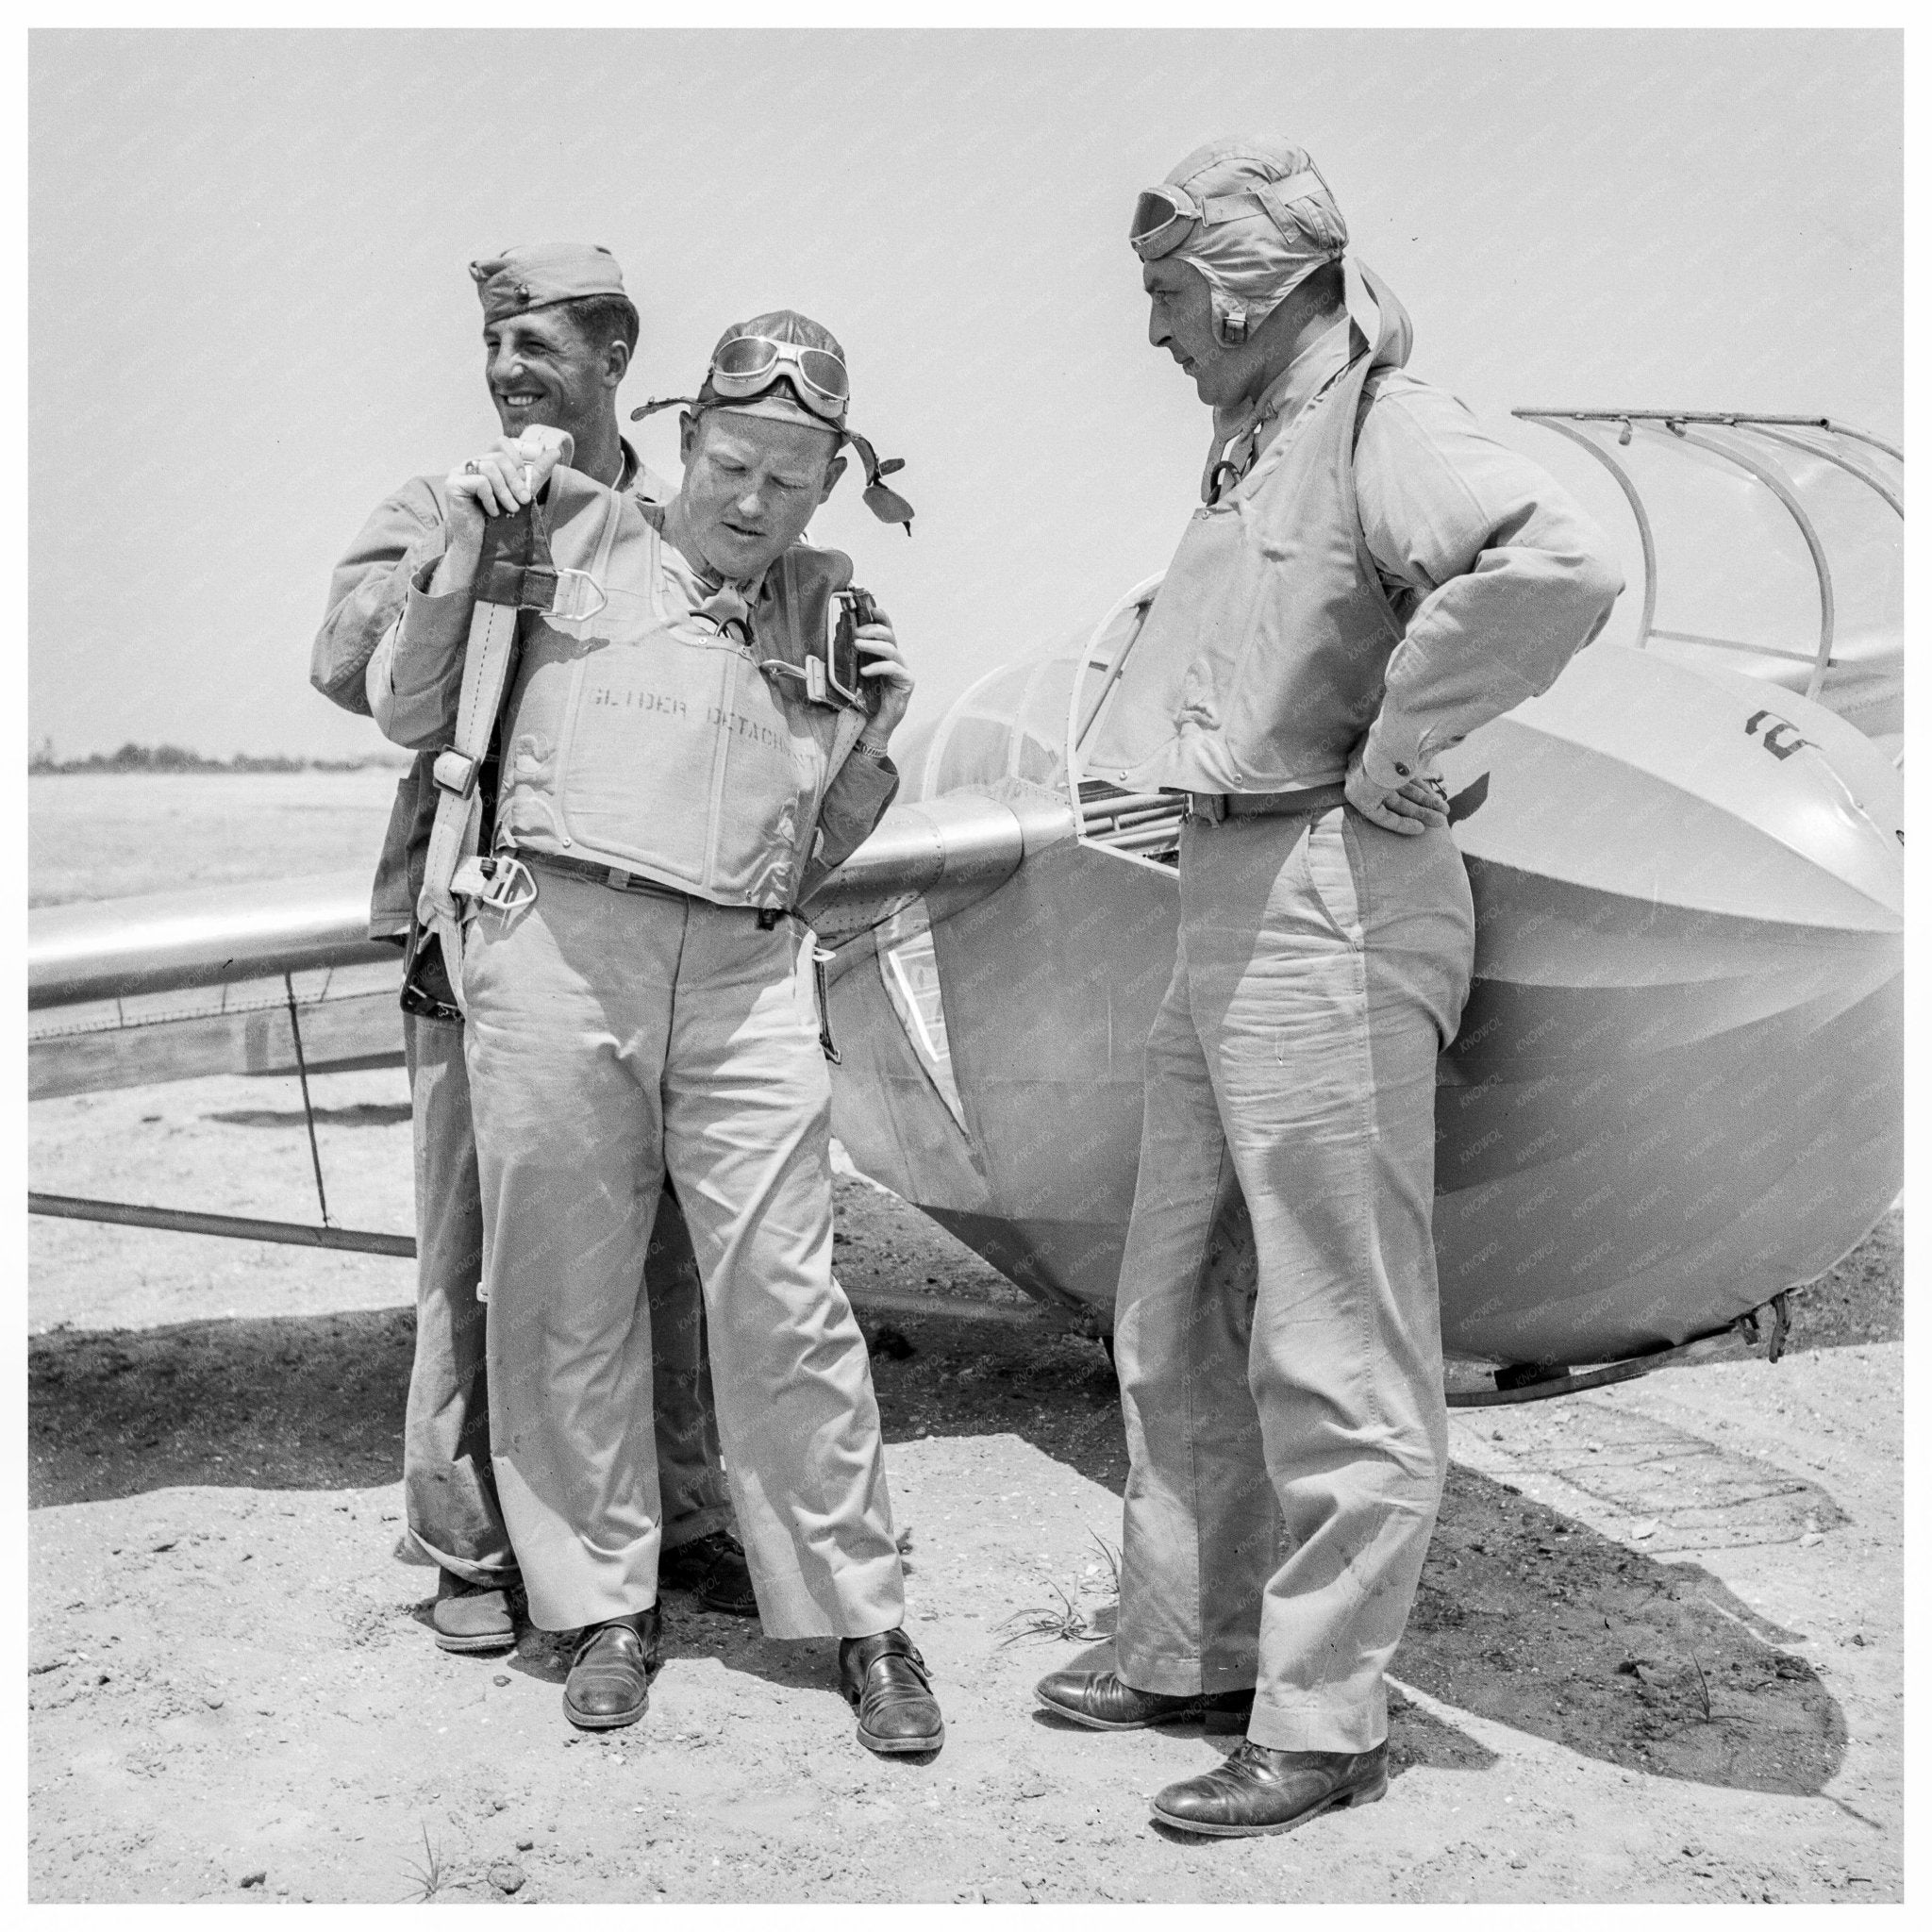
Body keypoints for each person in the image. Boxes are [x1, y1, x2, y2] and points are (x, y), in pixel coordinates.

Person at [1042, 139, 1623, 1835]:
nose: (1152, 333)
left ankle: (1325, 1711)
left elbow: (1557, 562)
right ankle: (1190, 1644)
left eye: (1164, 297)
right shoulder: (1257, 444)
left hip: (1332, 894)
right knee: (1175, 1294)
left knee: (1332, 1324)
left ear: (1243, 286)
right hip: (1227, 886)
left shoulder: (1384, 423)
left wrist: (1404, 730)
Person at [368, 308, 944, 1753]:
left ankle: (864, 1619)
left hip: (747, 971)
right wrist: (461, 547)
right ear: (685, 441)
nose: (756, 501)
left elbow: (827, 829)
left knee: (788, 1297)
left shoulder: (829, 604)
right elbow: (403, 706)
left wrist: (878, 725)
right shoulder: (555, 536)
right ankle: (602, 1606)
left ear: (827, 484)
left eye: (792, 477)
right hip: (559, 947)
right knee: (563, 1291)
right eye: (736, 463)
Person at [310, 243, 756, 1656]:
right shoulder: (445, 495)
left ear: (618, 352)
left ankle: (682, 1518)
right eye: (495, 346)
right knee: (468, 1243)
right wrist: (460, 540)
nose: (507, 372)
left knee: (668, 1245)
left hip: (654, 929)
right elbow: (348, 668)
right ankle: (467, 1541)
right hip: (477, 915)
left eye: (537, 346)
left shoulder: (686, 516)